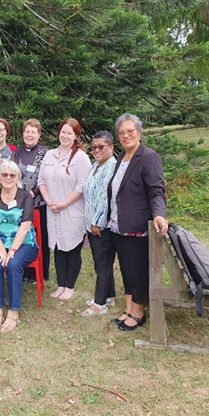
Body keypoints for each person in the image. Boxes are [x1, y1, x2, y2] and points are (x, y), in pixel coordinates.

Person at [108, 114, 168, 331]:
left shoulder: (149, 157)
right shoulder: (122, 157)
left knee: (137, 270)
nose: (126, 135)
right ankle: (129, 309)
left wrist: (159, 214)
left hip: (137, 225)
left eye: (130, 131)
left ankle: (139, 312)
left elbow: (156, 191)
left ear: (139, 132)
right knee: (126, 268)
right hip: (118, 225)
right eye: (121, 132)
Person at [38, 118, 91, 301]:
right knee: (58, 248)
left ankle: (70, 286)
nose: (65, 136)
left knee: (72, 248)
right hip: (52, 209)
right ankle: (61, 284)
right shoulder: (49, 155)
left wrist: (64, 203)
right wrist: (48, 200)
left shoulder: (81, 158)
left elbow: (82, 185)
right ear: (58, 133)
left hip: (71, 210)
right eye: (63, 132)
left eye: (70, 133)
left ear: (76, 135)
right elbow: (41, 180)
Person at [0, 161, 39, 332]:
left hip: (24, 243)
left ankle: (13, 313)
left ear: (18, 178)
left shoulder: (25, 197)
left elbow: (25, 227)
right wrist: (2, 250)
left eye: (12, 175)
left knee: (13, 263)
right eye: (4, 174)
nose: (8, 178)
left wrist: (12, 251)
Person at [81, 131, 117, 316]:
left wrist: (96, 223)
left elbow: (106, 199)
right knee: (101, 261)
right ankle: (109, 296)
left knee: (102, 264)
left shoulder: (111, 168)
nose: (96, 150)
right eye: (93, 147)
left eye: (101, 147)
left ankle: (100, 303)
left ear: (110, 147)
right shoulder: (95, 166)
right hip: (91, 223)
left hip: (102, 226)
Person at [12, 118, 50, 281]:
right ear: (23, 134)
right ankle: (24, 271)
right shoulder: (17, 152)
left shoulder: (45, 153)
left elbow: (46, 176)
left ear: (39, 134)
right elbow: (11, 173)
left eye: (33, 132)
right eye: (27, 131)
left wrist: (34, 192)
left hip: (38, 202)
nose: (29, 135)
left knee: (40, 237)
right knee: (22, 236)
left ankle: (40, 273)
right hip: (19, 203)